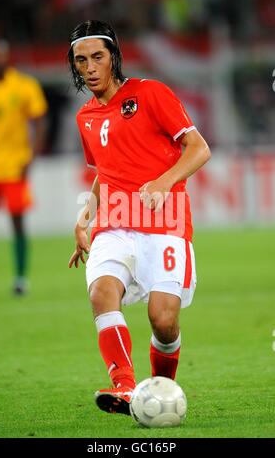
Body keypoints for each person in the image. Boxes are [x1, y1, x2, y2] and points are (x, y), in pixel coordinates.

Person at [68, 20, 211, 415]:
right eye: (81, 61)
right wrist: (85, 218)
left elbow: (198, 149)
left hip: (165, 222)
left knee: (163, 321)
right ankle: (126, 388)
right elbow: (105, 172)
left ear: (114, 57)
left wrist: (164, 182)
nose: (91, 67)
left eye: (98, 57)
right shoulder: (86, 117)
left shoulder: (150, 93)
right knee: (101, 292)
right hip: (114, 223)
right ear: (74, 66)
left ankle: (163, 389)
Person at [0, 39, 48, 295]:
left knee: (18, 223)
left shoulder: (23, 86)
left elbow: (39, 121)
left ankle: (21, 279)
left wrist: (31, 156)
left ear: (7, 57)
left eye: (0, 56)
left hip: (14, 167)